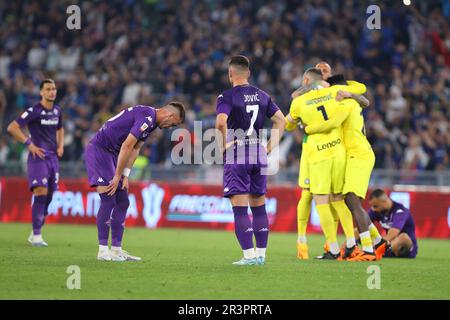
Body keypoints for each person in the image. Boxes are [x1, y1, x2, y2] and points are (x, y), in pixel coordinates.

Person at [85, 102, 185, 261]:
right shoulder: (146, 117)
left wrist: (125, 175)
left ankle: (117, 250)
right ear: (169, 115)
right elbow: (127, 145)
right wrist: (117, 175)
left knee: (123, 201)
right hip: (100, 150)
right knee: (108, 199)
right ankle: (103, 251)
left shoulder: (151, 122)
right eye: (172, 124)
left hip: (113, 155)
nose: (169, 127)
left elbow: (136, 148)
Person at [304, 74, 387, 261]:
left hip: (358, 154)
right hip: (351, 155)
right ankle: (377, 241)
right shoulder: (350, 100)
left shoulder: (345, 104)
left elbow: (332, 122)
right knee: (347, 200)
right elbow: (364, 99)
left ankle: (367, 249)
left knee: (351, 200)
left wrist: (308, 127)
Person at [286, 68, 367, 260]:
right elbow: (360, 91)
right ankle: (350, 242)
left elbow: (288, 125)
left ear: (305, 80)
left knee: (320, 200)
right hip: (338, 151)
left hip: (318, 155)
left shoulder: (298, 102)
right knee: (338, 198)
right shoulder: (333, 92)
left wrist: (300, 121)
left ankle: (332, 248)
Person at [215, 55, 286, 266]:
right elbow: (281, 121)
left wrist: (223, 147)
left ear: (230, 74)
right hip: (259, 153)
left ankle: (248, 256)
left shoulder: (226, 96)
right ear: (248, 73)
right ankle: (261, 255)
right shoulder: (263, 95)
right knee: (259, 205)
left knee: (240, 208)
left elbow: (220, 123)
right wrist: (269, 147)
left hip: (238, 153)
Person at [7, 79, 64, 247]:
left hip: (53, 158)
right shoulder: (34, 111)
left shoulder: (57, 111)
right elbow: (12, 127)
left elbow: (60, 128)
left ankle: (35, 231)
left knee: (50, 195)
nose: (52, 92)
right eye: (48, 89)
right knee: (40, 191)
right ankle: (38, 235)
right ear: (41, 92)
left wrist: (60, 145)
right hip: (37, 157)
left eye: (54, 88)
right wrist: (29, 144)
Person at [367, 189, 418, 258]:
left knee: (403, 237)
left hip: (406, 249)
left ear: (384, 201)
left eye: (375, 206)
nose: (373, 209)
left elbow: (393, 233)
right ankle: (376, 251)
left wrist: (377, 244)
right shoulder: (376, 210)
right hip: (389, 246)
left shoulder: (400, 211)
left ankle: (376, 251)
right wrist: (351, 242)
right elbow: (362, 224)